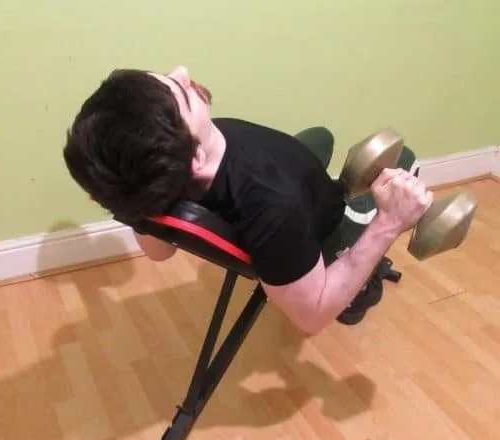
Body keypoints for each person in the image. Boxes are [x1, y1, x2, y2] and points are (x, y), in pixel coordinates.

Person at [62, 66, 432, 334]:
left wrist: (138, 209)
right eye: (182, 91)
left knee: (319, 138)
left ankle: (318, 180)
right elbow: (312, 315)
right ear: (195, 159)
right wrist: (389, 224)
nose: (184, 71)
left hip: (276, 179)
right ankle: (358, 287)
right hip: (319, 219)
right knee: (407, 160)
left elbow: (159, 251)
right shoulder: (274, 208)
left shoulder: (148, 177)